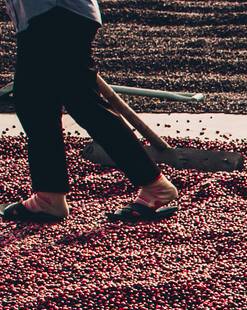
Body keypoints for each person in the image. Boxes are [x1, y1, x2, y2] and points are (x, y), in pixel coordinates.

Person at [3, 0, 180, 224]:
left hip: (55, 14)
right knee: (37, 103)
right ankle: (49, 196)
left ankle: (154, 185)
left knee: (81, 104)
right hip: (47, 15)